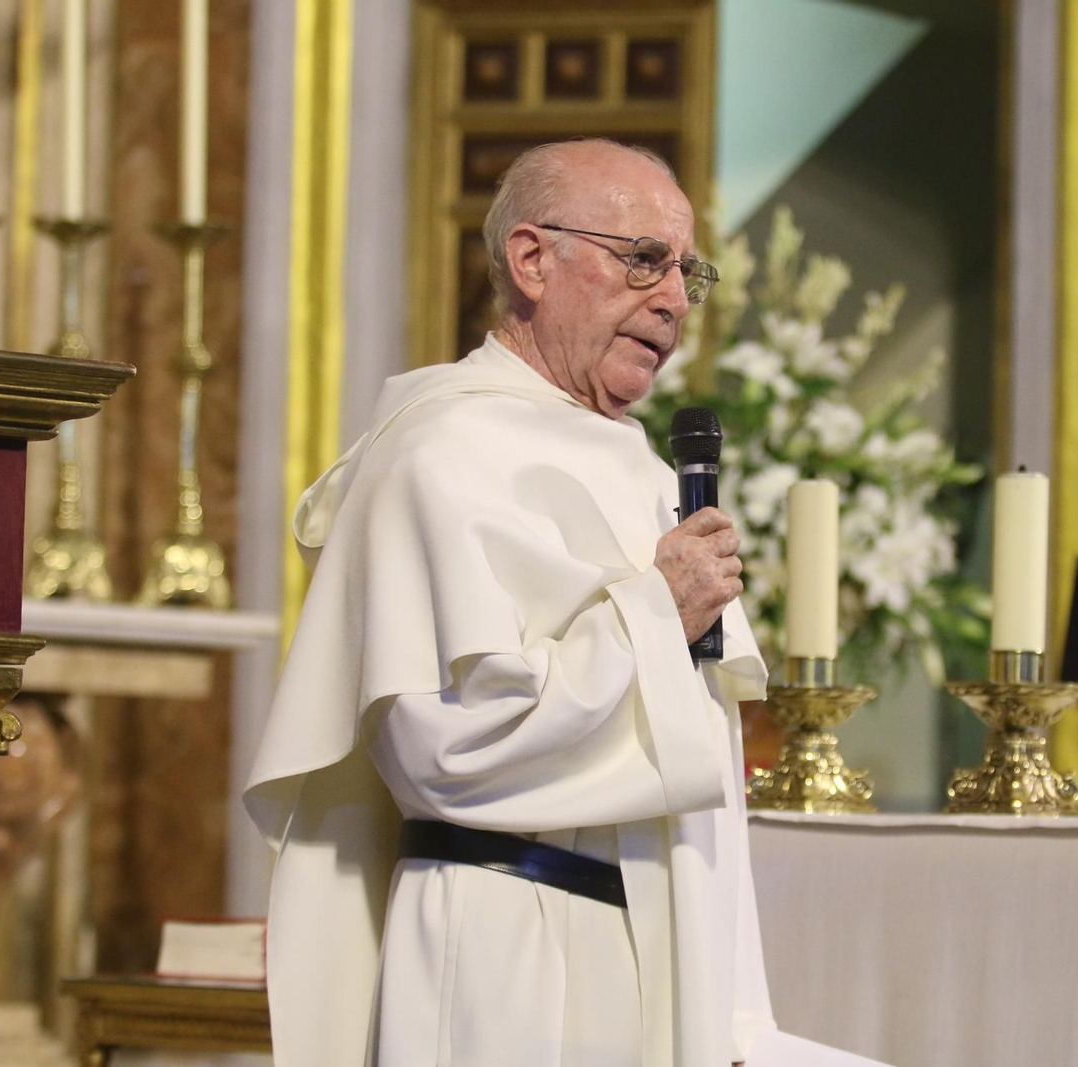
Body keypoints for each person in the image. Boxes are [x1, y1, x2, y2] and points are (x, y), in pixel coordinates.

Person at [244, 139, 774, 1066]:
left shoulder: (647, 473)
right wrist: (656, 614)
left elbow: (707, 787)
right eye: (644, 259)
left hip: (654, 945)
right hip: (507, 948)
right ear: (532, 260)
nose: (674, 300)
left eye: (687, 272)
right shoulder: (443, 450)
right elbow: (449, 747)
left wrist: (733, 1011)